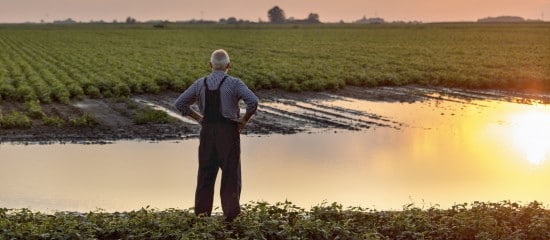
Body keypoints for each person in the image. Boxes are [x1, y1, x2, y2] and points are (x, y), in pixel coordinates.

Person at [175, 49, 258, 221]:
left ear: (210, 65)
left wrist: (199, 118)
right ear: (228, 65)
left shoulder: (200, 83)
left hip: (207, 135)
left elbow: (180, 103)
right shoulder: (234, 83)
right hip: (228, 134)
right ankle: (231, 220)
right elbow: (253, 102)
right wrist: (244, 120)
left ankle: (201, 219)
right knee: (230, 177)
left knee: (205, 177)